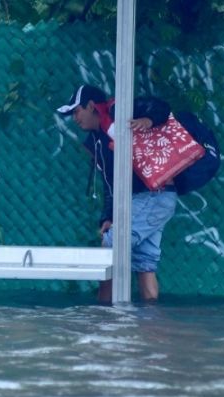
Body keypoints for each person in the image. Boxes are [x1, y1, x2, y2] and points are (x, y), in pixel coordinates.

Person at [57, 84, 176, 302]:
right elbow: (110, 184)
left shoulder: (116, 113)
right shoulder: (96, 139)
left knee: (111, 247)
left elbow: (161, 107)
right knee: (145, 263)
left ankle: (105, 318)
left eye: (76, 111)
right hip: (151, 198)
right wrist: (108, 217)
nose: (74, 118)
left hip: (152, 195)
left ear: (91, 106)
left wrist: (148, 121)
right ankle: (150, 323)